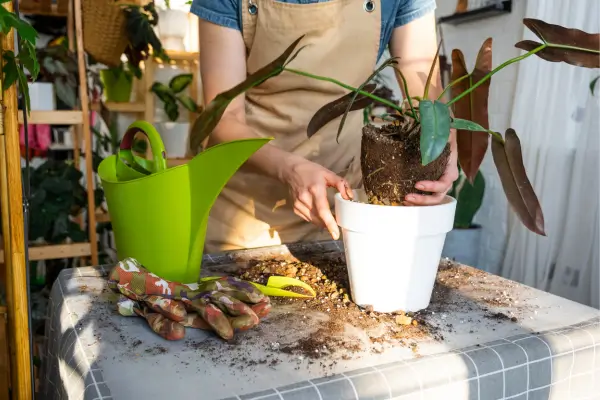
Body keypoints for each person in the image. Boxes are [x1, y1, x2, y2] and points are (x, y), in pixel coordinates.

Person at [190, 0, 459, 253]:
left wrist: (442, 145)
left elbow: (425, 102)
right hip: (246, 218)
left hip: (346, 209)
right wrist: (291, 169)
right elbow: (224, 119)